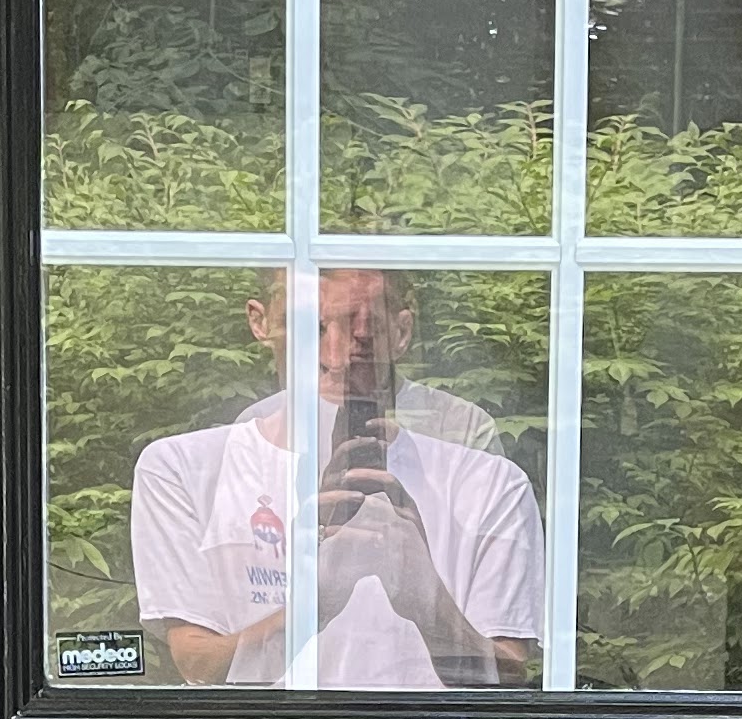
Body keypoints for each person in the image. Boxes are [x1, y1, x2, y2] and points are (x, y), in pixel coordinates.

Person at [131, 268, 543, 687]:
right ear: (263, 322)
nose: (339, 353)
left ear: (401, 333)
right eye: (316, 326)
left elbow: (509, 678)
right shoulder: (182, 469)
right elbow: (198, 665)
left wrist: (427, 597)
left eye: (366, 332)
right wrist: (314, 600)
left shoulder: (490, 484)